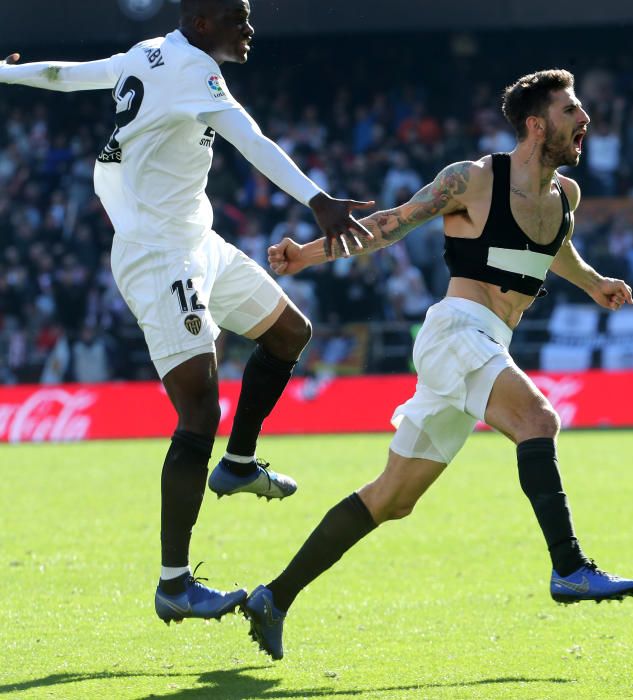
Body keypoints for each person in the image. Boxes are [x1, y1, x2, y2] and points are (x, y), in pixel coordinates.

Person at [249, 69, 633, 660]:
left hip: (486, 346)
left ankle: (271, 598)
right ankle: (569, 568)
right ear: (537, 124)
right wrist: (304, 255)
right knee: (538, 421)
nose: (583, 119)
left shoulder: (565, 195)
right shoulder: (473, 179)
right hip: (456, 331)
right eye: (571, 111)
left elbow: (553, 247)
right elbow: (389, 226)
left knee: (391, 499)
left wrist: (593, 285)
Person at [0, 0, 372, 625]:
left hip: (199, 241)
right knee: (198, 409)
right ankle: (174, 584)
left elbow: (68, 75)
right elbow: (251, 140)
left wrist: (5, 74)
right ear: (202, 24)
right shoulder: (193, 71)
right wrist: (318, 200)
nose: (248, 29)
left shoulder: (145, 55)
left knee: (289, 331)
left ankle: (239, 462)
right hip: (156, 254)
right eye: (237, 18)